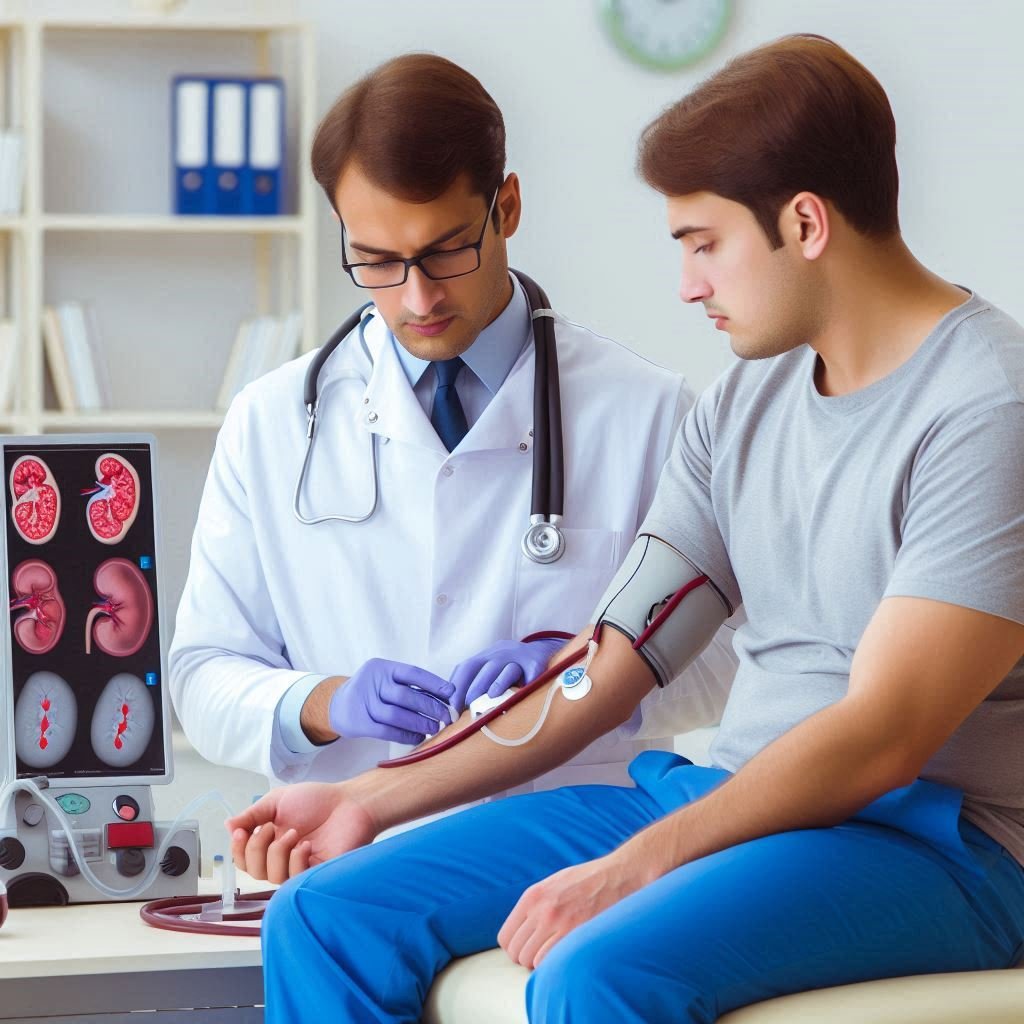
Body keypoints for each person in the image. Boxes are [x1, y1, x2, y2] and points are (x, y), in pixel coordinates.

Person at [229, 34, 1024, 1023]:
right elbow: (606, 661)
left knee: (598, 970)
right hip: (721, 796)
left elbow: (882, 737)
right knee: (324, 916)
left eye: (701, 242)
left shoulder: (987, 407)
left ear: (805, 222)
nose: (688, 283)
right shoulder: (744, 406)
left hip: (929, 841)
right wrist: (369, 799)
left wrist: (634, 866)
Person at [168, 53, 737, 795]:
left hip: (574, 862)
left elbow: (732, 660)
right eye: (376, 260)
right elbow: (202, 675)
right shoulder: (272, 423)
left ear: (506, 209)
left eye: (445, 251)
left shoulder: (648, 411)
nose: (417, 298)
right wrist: (323, 702)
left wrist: (588, 673)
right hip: (350, 860)